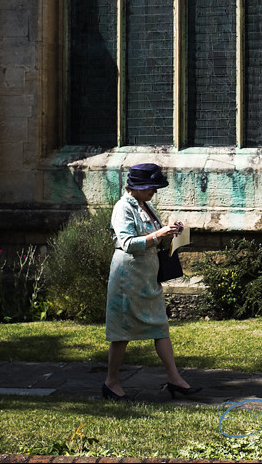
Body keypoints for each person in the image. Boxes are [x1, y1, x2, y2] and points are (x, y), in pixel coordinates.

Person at [103, 163, 201, 401]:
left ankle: (175, 379)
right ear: (135, 187)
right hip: (127, 277)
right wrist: (158, 234)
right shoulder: (123, 208)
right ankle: (111, 382)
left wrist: (170, 233)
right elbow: (126, 243)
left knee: (160, 326)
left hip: (147, 276)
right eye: (150, 188)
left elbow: (154, 239)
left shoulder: (147, 206)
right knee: (121, 332)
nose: (154, 192)